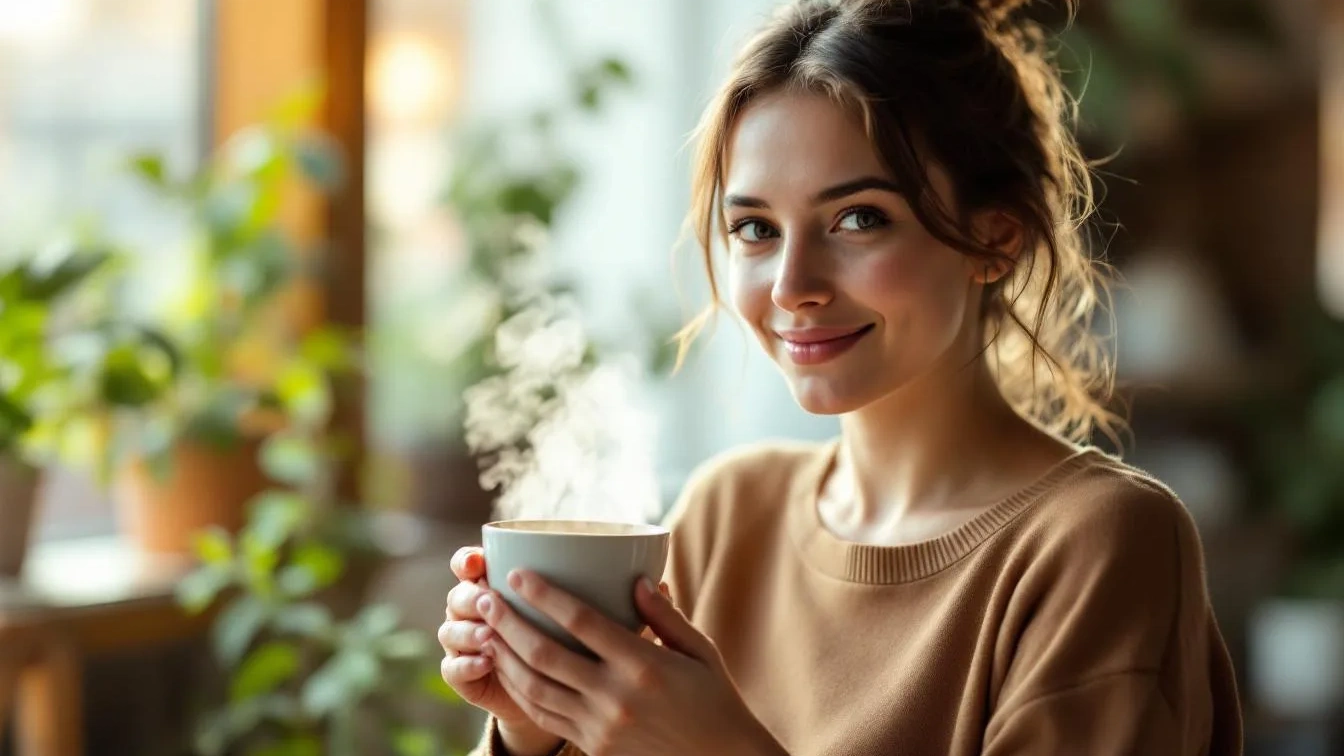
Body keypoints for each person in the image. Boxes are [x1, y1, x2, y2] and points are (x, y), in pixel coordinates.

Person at [439, 0, 1244, 753]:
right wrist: (535, 727)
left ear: (996, 240)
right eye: (754, 228)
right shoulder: (728, 512)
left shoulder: (1098, 543)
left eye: (858, 218)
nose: (792, 285)